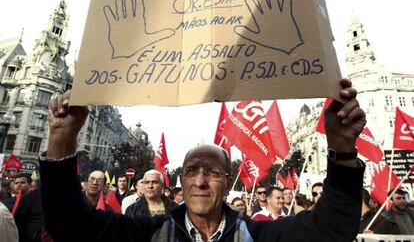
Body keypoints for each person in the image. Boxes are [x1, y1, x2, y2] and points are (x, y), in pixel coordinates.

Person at [40, 78, 366, 241]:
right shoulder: (150, 233)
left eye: (211, 172)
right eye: (191, 171)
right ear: (180, 181)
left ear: (226, 181)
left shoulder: (257, 235)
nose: (199, 181)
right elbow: (68, 223)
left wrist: (342, 149)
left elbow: (334, 227)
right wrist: (61, 137)